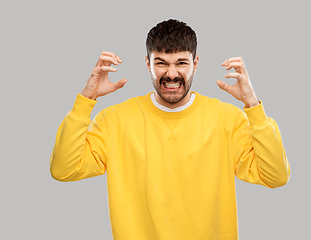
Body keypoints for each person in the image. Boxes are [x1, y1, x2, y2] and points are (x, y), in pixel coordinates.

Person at [50, 19, 290, 240]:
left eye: (181, 63)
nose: (172, 73)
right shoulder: (115, 120)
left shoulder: (227, 118)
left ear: (195, 63)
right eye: (161, 63)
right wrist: (86, 98)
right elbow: (63, 169)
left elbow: (276, 177)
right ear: (148, 64)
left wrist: (252, 105)